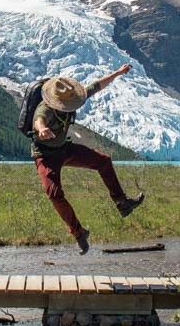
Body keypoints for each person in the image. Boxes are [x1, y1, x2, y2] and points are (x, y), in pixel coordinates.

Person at [31, 64, 145, 254]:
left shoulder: (71, 97)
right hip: (45, 155)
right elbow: (38, 120)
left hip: (64, 148)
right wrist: (41, 129)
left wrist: (117, 73)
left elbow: (95, 86)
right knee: (54, 194)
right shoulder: (46, 108)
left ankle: (122, 202)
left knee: (103, 161)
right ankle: (79, 232)